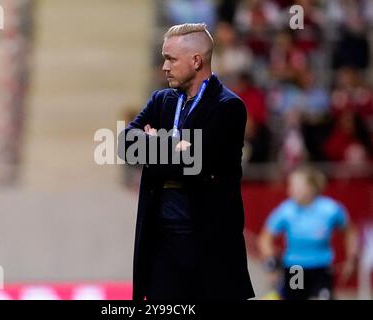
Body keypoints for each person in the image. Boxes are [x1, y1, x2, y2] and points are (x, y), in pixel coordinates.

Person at [118, 23, 254, 300]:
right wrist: (173, 146)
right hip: (161, 246)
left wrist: (154, 144)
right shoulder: (161, 100)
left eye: (170, 59)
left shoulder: (229, 107)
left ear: (196, 60)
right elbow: (124, 145)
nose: (164, 67)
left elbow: (195, 164)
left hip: (208, 247)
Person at [258, 166, 358, 300]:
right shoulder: (286, 210)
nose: (291, 190)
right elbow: (265, 239)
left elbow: (350, 231)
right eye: (290, 185)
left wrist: (351, 259)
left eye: (296, 186)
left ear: (311, 187)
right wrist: (271, 265)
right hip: (296, 269)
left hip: (321, 268)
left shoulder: (330, 209)